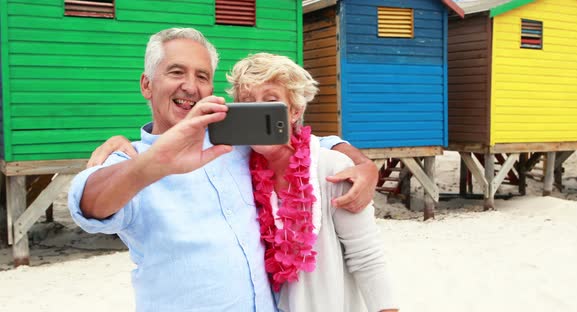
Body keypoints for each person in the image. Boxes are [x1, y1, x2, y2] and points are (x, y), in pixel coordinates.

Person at [68, 28, 379, 311]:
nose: (190, 86)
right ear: (147, 85)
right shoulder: (130, 161)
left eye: (202, 76)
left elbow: (303, 141)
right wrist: (152, 163)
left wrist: (362, 163)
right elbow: (89, 204)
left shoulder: (236, 141)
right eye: (176, 72)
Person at [226, 53, 397, 312]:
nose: (257, 111)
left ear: (295, 111)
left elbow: (367, 258)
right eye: (247, 102)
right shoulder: (237, 172)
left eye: (270, 100)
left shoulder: (332, 168)